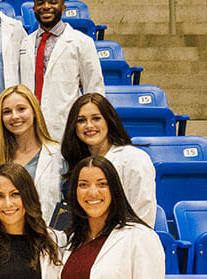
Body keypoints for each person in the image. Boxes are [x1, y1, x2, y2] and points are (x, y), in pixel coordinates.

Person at [18, 0, 106, 140]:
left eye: (52, 2)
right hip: (30, 124)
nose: (46, 7)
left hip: (66, 123)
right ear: (34, 8)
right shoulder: (25, 43)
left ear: (63, 7)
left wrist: (91, 123)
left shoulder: (82, 42)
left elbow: (94, 87)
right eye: (41, 3)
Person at [60, 93, 157, 227]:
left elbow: (143, 215)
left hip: (126, 242)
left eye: (96, 118)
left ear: (109, 121)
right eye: (81, 120)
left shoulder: (134, 159)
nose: (89, 125)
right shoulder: (72, 162)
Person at [0, 85, 63, 223]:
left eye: (21, 109)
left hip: (49, 238)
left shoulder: (58, 155)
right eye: (7, 112)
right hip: (5, 238)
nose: (15, 116)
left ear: (34, 111)